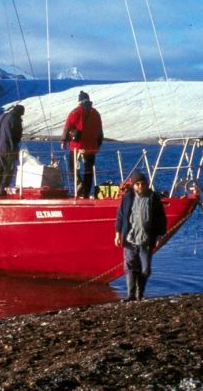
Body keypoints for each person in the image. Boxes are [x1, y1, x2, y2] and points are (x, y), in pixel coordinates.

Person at [114, 172, 167, 301]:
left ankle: (140, 293)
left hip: (146, 239)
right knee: (130, 267)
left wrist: (160, 236)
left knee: (145, 269)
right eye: (137, 184)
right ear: (133, 185)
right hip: (130, 239)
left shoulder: (153, 198)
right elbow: (120, 216)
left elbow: (161, 219)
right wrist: (117, 234)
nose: (140, 186)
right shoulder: (127, 198)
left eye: (143, 184)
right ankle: (131, 295)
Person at [60, 90, 103, 198]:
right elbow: (100, 132)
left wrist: (63, 141)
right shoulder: (96, 113)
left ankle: (79, 185)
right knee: (88, 170)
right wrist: (97, 145)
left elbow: (67, 127)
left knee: (72, 167)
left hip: (77, 146)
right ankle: (86, 193)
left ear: (79, 101)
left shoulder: (75, 112)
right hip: (91, 147)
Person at [0, 104, 24, 196]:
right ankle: (1, 189)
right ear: (20, 112)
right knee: (8, 169)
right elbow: (18, 135)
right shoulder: (15, 119)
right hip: (8, 147)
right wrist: (14, 142)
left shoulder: (2, 116)